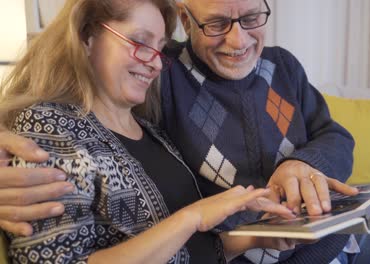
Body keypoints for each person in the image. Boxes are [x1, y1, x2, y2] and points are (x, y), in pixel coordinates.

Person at [3, 0, 370, 263]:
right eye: (217, 23)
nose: (238, 39)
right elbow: (64, 98)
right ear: (186, 22)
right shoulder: (162, 78)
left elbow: (335, 135)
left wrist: (304, 162)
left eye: (250, 18)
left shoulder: (283, 66)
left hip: (345, 239)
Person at [0, 0, 304, 263]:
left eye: (159, 49)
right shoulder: (49, 127)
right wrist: (192, 217)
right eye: (140, 42)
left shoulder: (151, 130)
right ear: (87, 36)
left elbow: (187, 252)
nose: (155, 63)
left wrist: (259, 236)